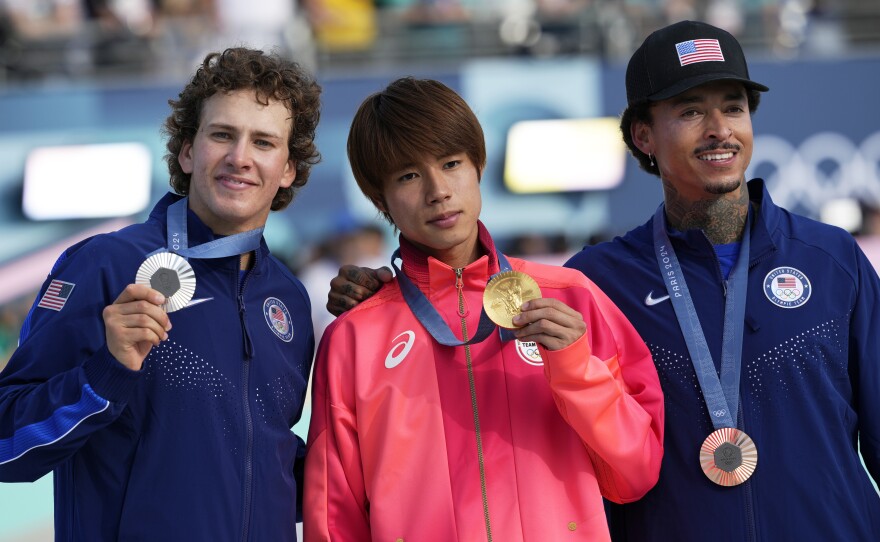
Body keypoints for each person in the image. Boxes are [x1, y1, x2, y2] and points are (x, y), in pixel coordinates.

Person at [325, 20, 880, 541]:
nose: (719, 130)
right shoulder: (594, 282)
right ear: (643, 135)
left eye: (733, 108)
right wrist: (385, 301)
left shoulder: (831, 259)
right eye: (690, 112)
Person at [304, 77, 664, 541]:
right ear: (380, 198)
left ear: (478, 165)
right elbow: (334, 520)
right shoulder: (355, 338)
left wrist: (576, 371)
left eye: (451, 163)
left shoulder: (570, 296)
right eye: (408, 176)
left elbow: (636, 473)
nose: (438, 191)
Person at [0, 47, 321, 541]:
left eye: (263, 142)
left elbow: (261, 460)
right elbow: (6, 442)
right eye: (221, 135)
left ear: (287, 170)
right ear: (188, 151)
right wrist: (106, 372)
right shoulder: (106, 265)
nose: (240, 157)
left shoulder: (289, 299)